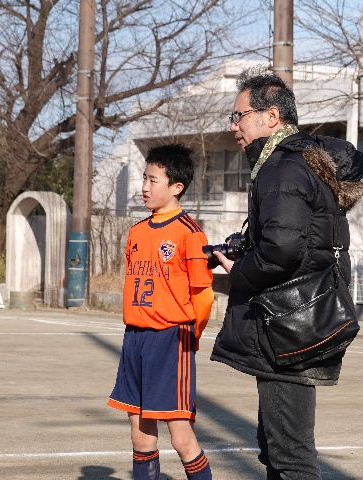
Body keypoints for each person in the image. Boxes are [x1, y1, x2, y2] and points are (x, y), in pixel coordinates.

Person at [210, 67, 363, 479]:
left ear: (271, 116)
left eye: (239, 115)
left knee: (290, 456)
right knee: (277, 448)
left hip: (288, 325)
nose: (233, 126)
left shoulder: (283, 167)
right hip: (294, 319)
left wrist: (238, 270)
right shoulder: (295, 164)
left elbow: (282, 249)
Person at [107, 144, 214, 480]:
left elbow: (203, 296)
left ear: (176, 187)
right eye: (144, 178)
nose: (145, 187)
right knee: (140, 435)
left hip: (171, 339)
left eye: (153, 180)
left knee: (181, 438)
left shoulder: (190, 233)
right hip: (134, 338)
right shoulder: (137, 232)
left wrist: (190, 337)